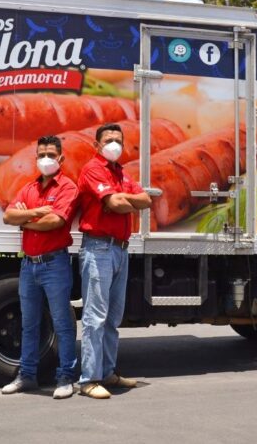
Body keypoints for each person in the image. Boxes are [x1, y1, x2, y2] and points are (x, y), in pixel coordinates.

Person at [76, 123, 151, 399]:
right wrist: (120, 202)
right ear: (97, 145)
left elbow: (145, 200)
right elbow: (121, 204)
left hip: (120, 250)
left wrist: (121, 200)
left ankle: (107, 373)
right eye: (108, 139)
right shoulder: (92, 169)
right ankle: (89, 380)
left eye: (118, 140)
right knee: (95, 317)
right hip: (99, 249)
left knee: (112, 317)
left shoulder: (120, 173)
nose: (114, 144)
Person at [1, 135, 78, 399]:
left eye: (51, 155)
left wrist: (25, 219)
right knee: (29, 324)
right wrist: (36, 212)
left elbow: (55, 221)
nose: (46, 159)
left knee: (62, 323)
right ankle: (27, 376)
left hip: (54, 263)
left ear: (61, 159)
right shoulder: (29, 187)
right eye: (42, 154)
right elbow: (7, 215)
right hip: (29, 265)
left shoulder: (68, 187)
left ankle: (66, 376)